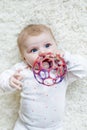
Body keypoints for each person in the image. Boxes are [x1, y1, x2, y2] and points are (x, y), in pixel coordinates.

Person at [0, 24, 87, 130]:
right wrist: (9, 81)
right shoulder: (23, 70)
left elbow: (83, 69)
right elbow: (3, 79)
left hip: (54, 127)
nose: (42, 52)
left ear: (56, 46)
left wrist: (66, 57)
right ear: (24, 58)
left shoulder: (61, 69)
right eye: (33, 50)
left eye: (47, 45)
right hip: (25, 126)